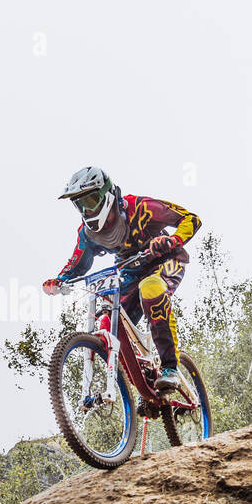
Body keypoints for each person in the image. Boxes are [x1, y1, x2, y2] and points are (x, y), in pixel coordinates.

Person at [43, 166, 202, 393]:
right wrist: (59, 280)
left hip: (165, 261)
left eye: (90, 200)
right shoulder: (87, 234)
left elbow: (190, 219)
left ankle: (170, 368)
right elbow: (78, 264)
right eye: (80, 204)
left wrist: (173, 239)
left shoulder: (141, 207)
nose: (86, 209)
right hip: (130, 273)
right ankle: (144, 383)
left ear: (106, 195)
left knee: (151, 289)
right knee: (108, 324)